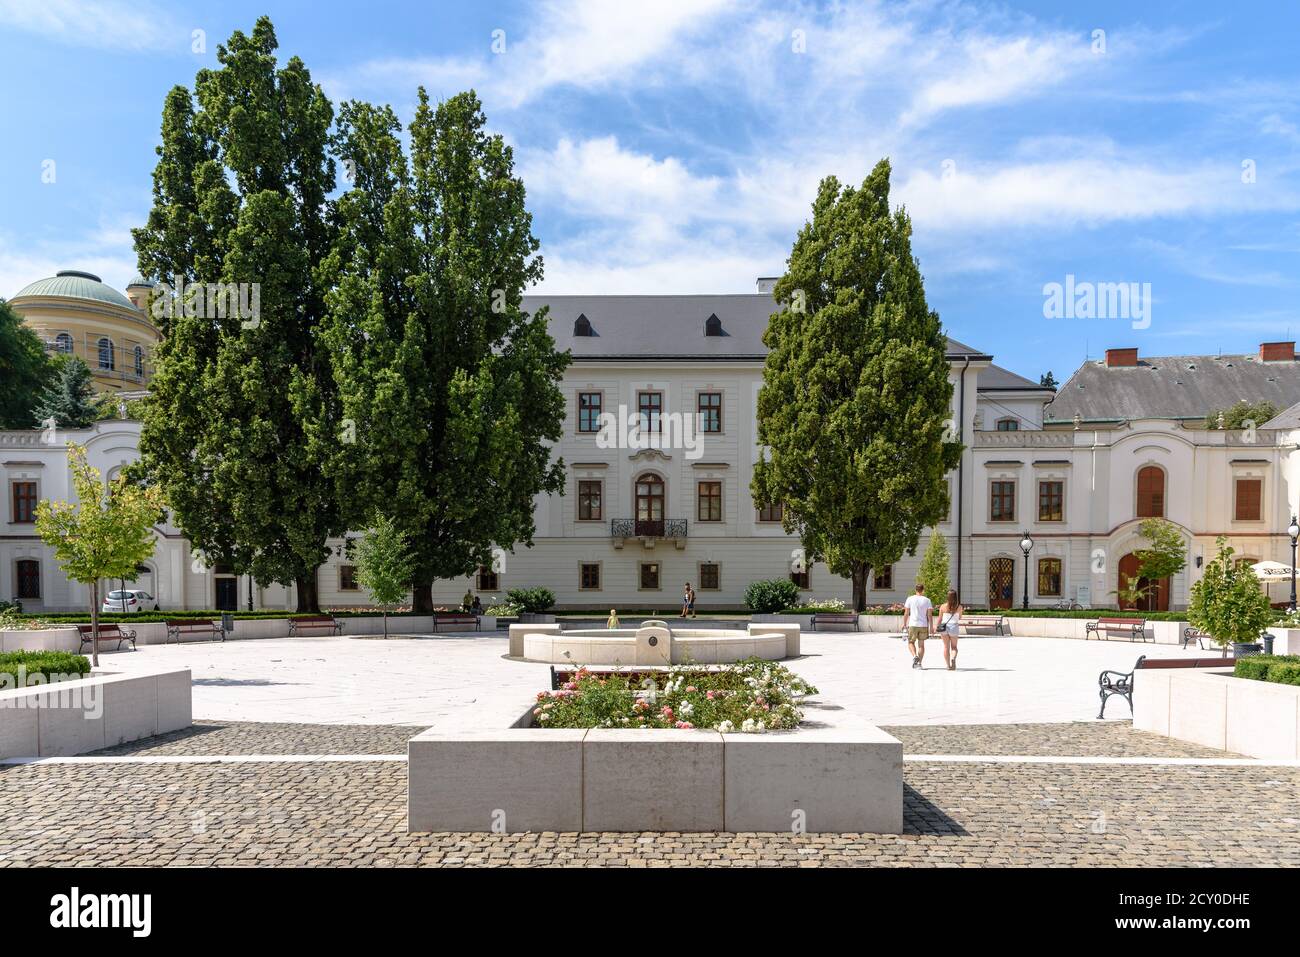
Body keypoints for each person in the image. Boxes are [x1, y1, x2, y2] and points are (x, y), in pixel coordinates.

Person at [902, 583, 932, 669]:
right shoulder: (927, 600)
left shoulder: (910, 599)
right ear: (923, 590)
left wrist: (904, 624)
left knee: (911, 642)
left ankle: (915, 656)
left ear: (915, 590)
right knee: (921, 645)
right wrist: (931, 627)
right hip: (923, 625)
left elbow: (906, 613)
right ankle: (919, 664)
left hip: (913, 624)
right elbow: (929, 615)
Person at [935, 590, 963, 670]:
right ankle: (953, 658)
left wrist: (936, 627)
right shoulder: (959, 606)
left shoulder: (943, 606)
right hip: (954, 626)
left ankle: (948, 665)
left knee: (946, 647)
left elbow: (940, 619)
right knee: (954, 647)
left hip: (944, 627)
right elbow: (960, 617)